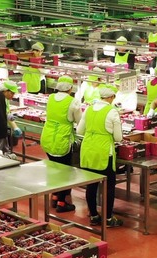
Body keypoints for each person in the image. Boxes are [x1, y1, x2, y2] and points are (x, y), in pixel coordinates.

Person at [77, 85, 123, 228]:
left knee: (91, 185)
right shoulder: (112, 112)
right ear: (111, 97)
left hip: (88, 149)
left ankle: (94, 215)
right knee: (109, 186)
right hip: (103, 152)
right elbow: (118, 138)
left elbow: (79, 130)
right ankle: (108, 218)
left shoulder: (89, 109)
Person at [40, 75, 83, 212]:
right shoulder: (73, 102)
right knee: (65, 172)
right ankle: (62, 202)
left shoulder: (51, 98)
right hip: (62, 139)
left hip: (48, 137)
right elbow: (80, 121)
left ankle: (54, 196)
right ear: (70, 88)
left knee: (54, 168)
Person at [0, 80, 23, 155]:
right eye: (12, 93)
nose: (13, 96)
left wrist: (15, 127)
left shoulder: (5, 99)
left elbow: (7, 113)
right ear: (5, 91)